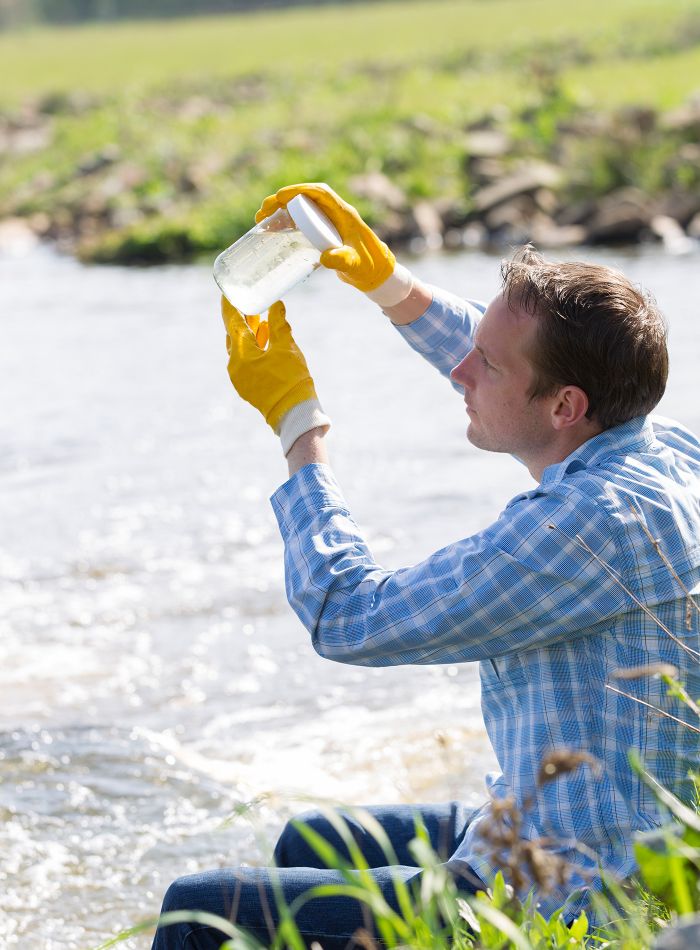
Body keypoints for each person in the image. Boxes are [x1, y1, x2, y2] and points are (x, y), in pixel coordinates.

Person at [152, 183, 700, 949]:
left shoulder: (583, 529)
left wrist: (296, 422)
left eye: (486, 367)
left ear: (565, 407)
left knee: (194, 912)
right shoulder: (659, 449)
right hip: (559, 821)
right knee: (307, 844)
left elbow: (346, 616)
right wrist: (388, 284)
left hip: (569, 892)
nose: (462, 373)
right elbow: (509, 364)